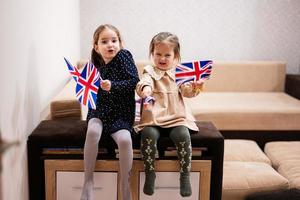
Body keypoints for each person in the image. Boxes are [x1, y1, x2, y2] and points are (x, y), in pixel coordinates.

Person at [135, 32, 204, 197]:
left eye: (167, 55)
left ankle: (185, 175)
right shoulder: (149, 71)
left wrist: (195, 87)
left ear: (175, 56)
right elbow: (143, 83)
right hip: (154, 118)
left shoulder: (179, 73)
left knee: (182, 134)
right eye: (158, 54)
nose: (162, 58)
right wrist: (145, 90)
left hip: (175, 116)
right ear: (152, 54)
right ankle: (150, 173)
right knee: (148, 134)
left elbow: (187, 91)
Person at [80, 24, 139, 200]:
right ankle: (88, 182)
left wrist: (112, 85)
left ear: (120, 43)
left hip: (121, 113)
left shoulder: (124, 57)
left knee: (125, 140)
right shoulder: (93, 65)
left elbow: (134, 81)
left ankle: (125, 185)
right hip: (99, 111)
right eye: (104, 42)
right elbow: (86, 90)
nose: (110, 45)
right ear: (96, 47)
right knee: (92, 131)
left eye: (114, 40)